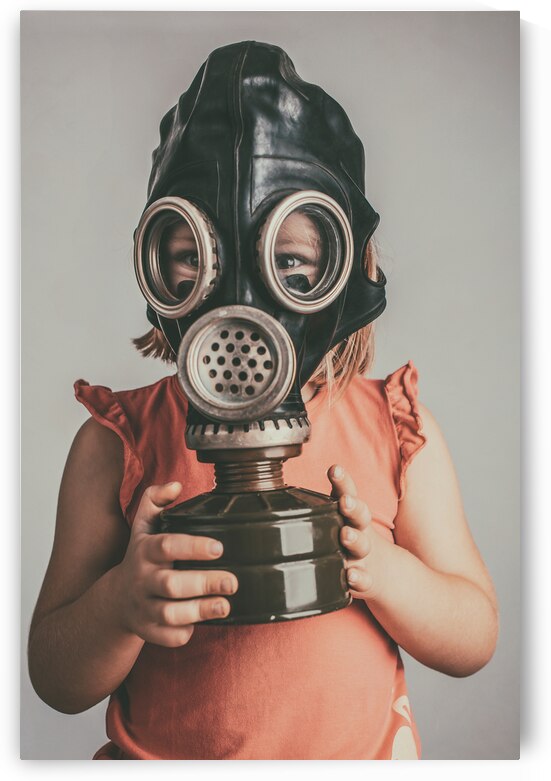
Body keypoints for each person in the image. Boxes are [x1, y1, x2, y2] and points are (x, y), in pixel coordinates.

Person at [27, 41, 498, 760]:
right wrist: (121, 604)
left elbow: (473, 636)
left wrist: (384, 569)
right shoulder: (116, 443)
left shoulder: (397, 432)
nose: (239, 302)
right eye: (194, 259)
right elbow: (55, 674)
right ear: (157, 271)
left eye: (289, 263)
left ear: (347, 273)